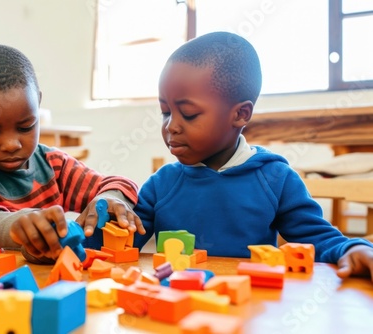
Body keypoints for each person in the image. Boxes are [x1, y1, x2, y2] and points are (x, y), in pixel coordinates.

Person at [131, 31, 373, 281]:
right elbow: (117, 240)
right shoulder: (161, 184)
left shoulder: (276, 179)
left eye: (189, 113)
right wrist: (105, 206)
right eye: (165, 112)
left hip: (249, 308)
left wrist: (352, 248)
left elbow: (317, 238)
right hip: (174, 309)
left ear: (240, 114)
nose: (171, 126)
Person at [0, 44, 145, 263]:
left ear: (38, 105)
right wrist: (15, 226)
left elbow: (119, 183)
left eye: (25, 127)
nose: (11, 144)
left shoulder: (54, 166)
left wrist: (108, 198)